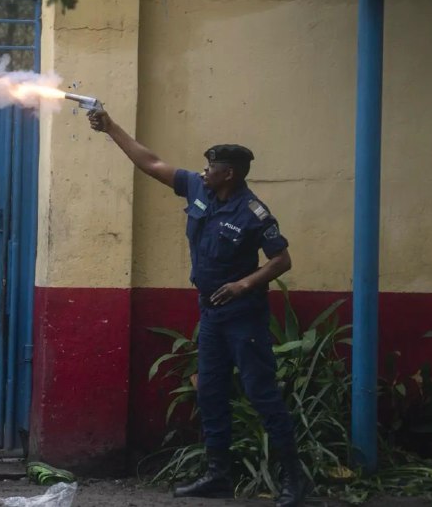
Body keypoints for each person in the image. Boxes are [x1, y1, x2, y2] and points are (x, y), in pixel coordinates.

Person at [87, 109, 309, 507]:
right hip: (211, 314)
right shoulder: (197, 189)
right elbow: (151, 163)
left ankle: (294, 481)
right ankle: (217, 476)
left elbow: (281, 261)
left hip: (244, 318)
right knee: (210, 391)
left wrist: (244, 284)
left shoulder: (254, 213)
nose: (203, 171)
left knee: (262, 395)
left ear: (230, 174)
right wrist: (110, 128)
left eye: (211, 168)